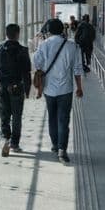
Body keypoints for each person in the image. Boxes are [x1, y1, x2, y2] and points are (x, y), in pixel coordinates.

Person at [33, 17, 84, 163]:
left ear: (48, 31)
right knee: (64, 119)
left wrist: (38, 45)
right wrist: (79, 87)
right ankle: (62, 150)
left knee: (52, 117)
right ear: (62, 29)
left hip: (49, 89)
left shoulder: (44, 45)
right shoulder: (72, 46)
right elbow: (77, 69)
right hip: (66, 89)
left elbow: (37, 63)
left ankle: (55, 145)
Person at [0, 22, 32, 156]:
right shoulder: (23, 50)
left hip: (2, 87)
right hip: (17, 86)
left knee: (4, 115)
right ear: (18, 34)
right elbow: (27, 72)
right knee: (17, 116)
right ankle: (15, 144)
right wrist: (27, 90)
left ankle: (5, 138)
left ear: (6, 34)